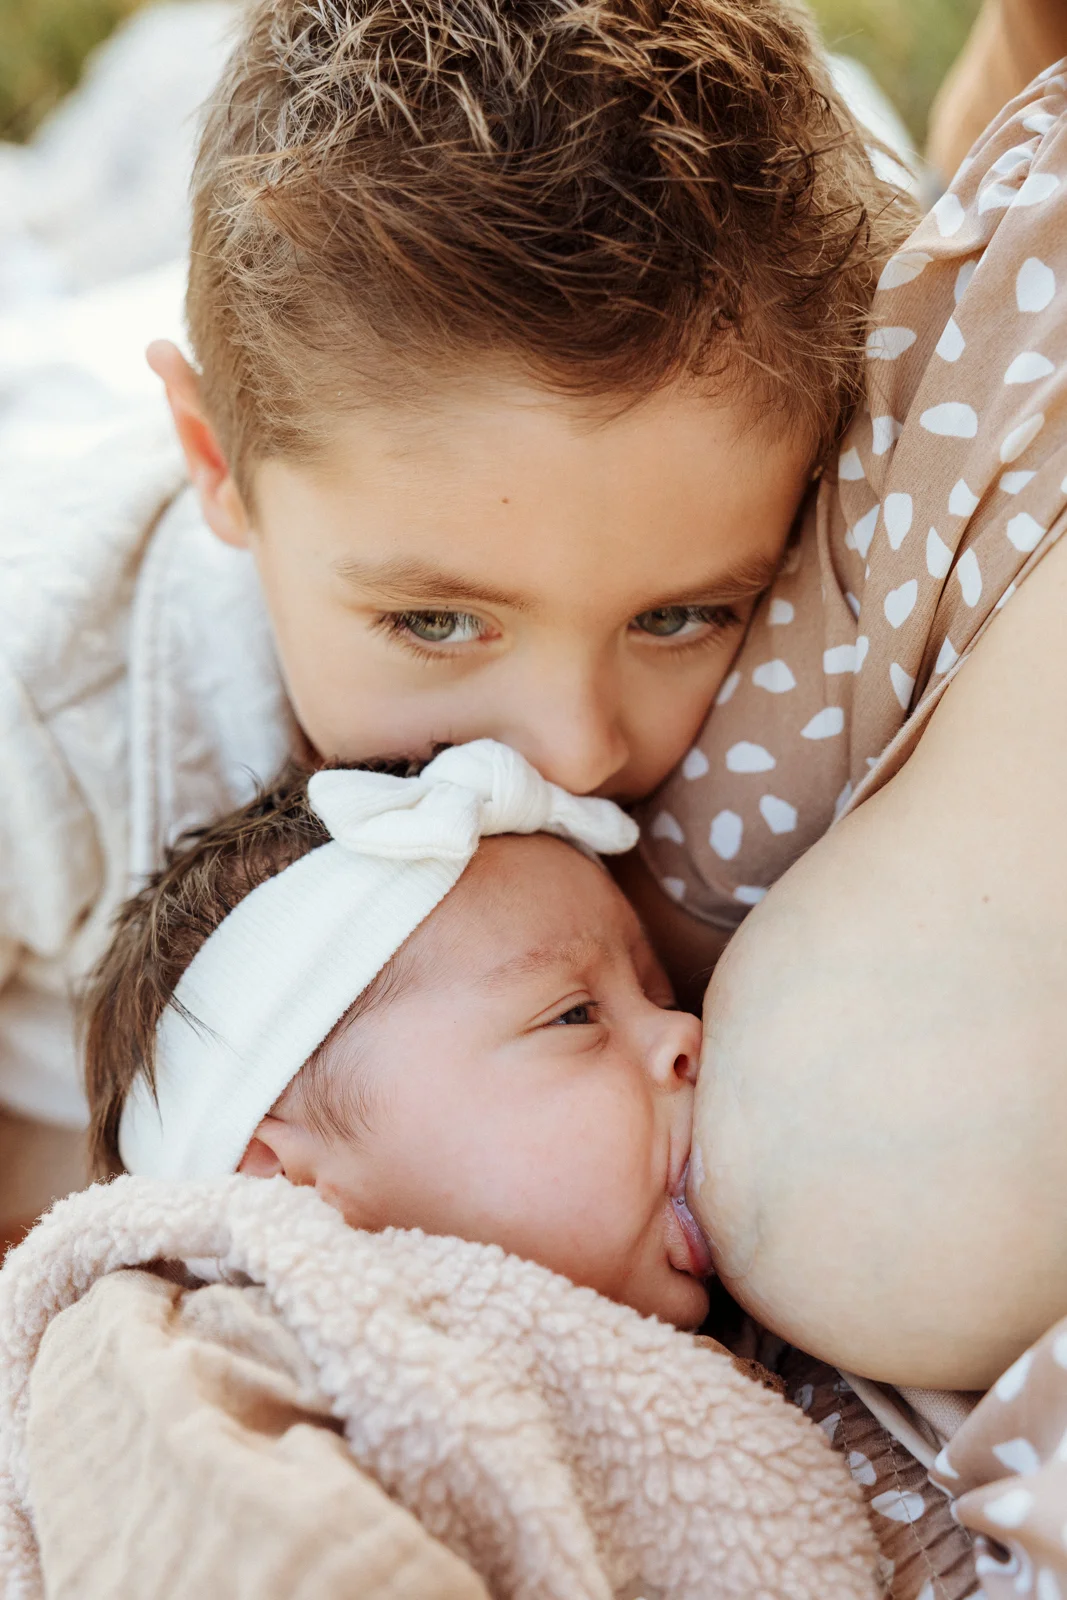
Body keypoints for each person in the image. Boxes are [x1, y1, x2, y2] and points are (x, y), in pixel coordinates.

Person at [0, 0, 907, 1230]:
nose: (576, 748)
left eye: (681, 615)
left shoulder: (792, 505)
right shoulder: (46, 720)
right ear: (216, 465)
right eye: (434, 623)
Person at [86, 739, 712, 1331]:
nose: (685, 1029)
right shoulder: (235, 1400)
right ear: (286, 1191)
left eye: (658, 996)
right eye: (574, 1016)